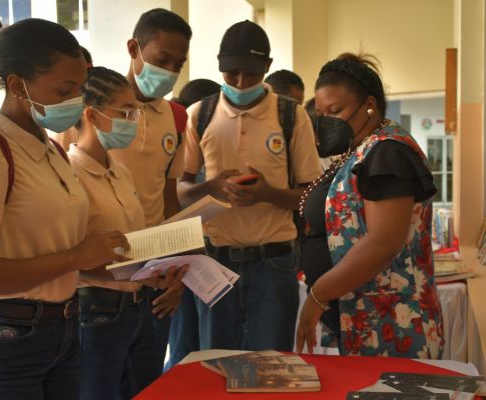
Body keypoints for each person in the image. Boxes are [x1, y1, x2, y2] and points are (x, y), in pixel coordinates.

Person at [0, 19, 128, 399]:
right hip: (10, 334)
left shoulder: (51, 149)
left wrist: (138, 274)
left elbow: (66, 257)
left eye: (80, 90)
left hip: (65, 327)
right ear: (17, 85)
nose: (76, 102)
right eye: (65, 90)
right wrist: (77, 256)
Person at [179, 20, 321, 352]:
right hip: (215, 262)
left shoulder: (291, 116)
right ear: (219, 64)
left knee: (270, 366)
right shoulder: (199, 114)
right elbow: (180, 192)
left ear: (268, 68)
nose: (241, 82)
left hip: (274, 263)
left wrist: (266, 193)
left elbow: (311, 198)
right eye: (232, 73)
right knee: (215, 362)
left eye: (252, 74)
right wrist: (210, 186)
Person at [296, 53, 444, 359]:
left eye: (335, 111)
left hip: (393, 321)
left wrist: (318, 296)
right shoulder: (362, 151)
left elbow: (382, 244)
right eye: (321, 114)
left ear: (370, 105)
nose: (327, 123)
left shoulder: (387, 152)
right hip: (363, 313)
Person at [68, 66, 187, 399]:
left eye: (135, 110)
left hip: (140, 304)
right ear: (92, 115)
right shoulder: (70, 173)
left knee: (143, 392)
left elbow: (135, 242)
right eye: (125, 112)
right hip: (96, 308)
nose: (134, 119)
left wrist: (163, 267)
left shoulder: (119, 171)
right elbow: (71, 258)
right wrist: (133, 269)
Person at [109, 8, 192, 377]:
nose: (170, 72)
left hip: (155, 276)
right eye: (162, 60)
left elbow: (169, 198)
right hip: (101, 275)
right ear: (134, 48)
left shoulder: (176, 117)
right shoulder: (92, 108)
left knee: (147, 383)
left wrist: (177, 270)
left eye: (178, 64)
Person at [166, 77, 221, 370]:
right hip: (186, 255)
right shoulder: (178, 148)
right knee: (187, 343)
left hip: (196, 256)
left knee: (193, 343)